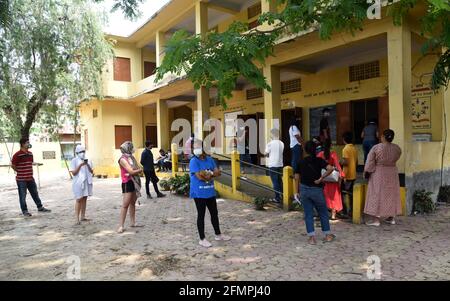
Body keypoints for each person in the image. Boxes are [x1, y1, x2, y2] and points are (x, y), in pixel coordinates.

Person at [189, 140, 231, 248]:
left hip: (210, 191)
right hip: (198, 193)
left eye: (198, 146)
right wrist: (211, 174)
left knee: (214, 213)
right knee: (201, 215)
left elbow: (218, 172)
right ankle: (202, 239)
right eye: (194, 147)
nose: (195, 149)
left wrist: (208, 174)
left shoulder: (210, 159)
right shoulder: (193, 161)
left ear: (203, 148)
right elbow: (199, 176)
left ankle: (218, 234)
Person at [295, 141, 336, 245]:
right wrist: (321, 178)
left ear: (305, 150)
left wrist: (296, 191)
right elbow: (331, 168)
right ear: (315, 150)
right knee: (323, 213)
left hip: (304, 190)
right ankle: (327, 236)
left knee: (308, 214)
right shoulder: (319, 160)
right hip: (317, 190)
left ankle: (312, 238)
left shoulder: (300, 162)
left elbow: (296, 177)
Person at [364, 129, 402, 226]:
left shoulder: (376, 148)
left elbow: (370, 161)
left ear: (383, 137)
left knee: (377, 193)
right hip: (392, 172)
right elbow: (397, 157)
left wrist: (367, 171)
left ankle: (376, 220)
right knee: (391, 194)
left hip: (379, 173)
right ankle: (391, 217)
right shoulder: (397, 148)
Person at [11, 137, 51, 217]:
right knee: (22, 195)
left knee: (35, 193)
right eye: (27, 143)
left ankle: (40, 207)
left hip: (30, 178)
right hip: (21, 179)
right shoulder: (17, 155)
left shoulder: (30, 154)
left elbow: (30, 163)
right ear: (22, 144)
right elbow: (13, 165)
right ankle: (24, 211)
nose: (28, 144)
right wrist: (19, 171)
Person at [117, 141, 143, 233]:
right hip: (127, 182)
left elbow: (135, 169)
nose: (132, 149)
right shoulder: (123, 159)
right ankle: (121, 226)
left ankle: (133, 222)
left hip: (134, 182)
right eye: (131, 147)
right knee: (125, 204)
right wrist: (139, 170)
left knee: (133, 203)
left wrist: (136, 170)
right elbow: (132, 171)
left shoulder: (131, 157)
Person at [317, 139, 345, 220]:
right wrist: (341, 175)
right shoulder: (333, 154)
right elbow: (338, 166)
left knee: (324, 197)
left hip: (324, 178)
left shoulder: (320, 154)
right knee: (335, 197)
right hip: (332, 179)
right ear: (331, 146)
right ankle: (333, 215)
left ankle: (323, 214)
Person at [69, 145, 93, 225]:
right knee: (79, 199)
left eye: (83, 151)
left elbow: (92, 171)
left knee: (85, 198)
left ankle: (83, 216)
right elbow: (74, 173)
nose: (82, 153)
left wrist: (87, 165)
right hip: (78, 183)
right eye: (80, 152)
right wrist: (80, 165)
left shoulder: (88, 160)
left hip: (86, 182)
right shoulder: (74, 160)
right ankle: (76, 218)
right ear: (77, 153)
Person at [340, 132, 358, 217]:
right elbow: (356, 161)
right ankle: (351, 211)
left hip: (347, 175)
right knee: (351, 194)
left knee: (343, 193)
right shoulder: (354, 148)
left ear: (344, 139)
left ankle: (344, 211)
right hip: (353, 173)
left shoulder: (345, 149)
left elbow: (346, 162)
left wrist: (340, 162)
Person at [264, 129, 284, 204]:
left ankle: (277, 198)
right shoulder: (282, 143)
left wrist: (268, 154)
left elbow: (265, 154)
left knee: (275, 182)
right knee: (280, 181)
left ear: (272, 134)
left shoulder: (269, 144)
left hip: (272, 165)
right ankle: (283, 195)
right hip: (280, 164)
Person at [289, 117, 303, 204]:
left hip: (296, 146)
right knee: (296, 161)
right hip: (296, 146)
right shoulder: (294, 127)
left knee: (297, 159)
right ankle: (295, 171)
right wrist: (303, 143)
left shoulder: (294, 127)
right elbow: (297, 137)